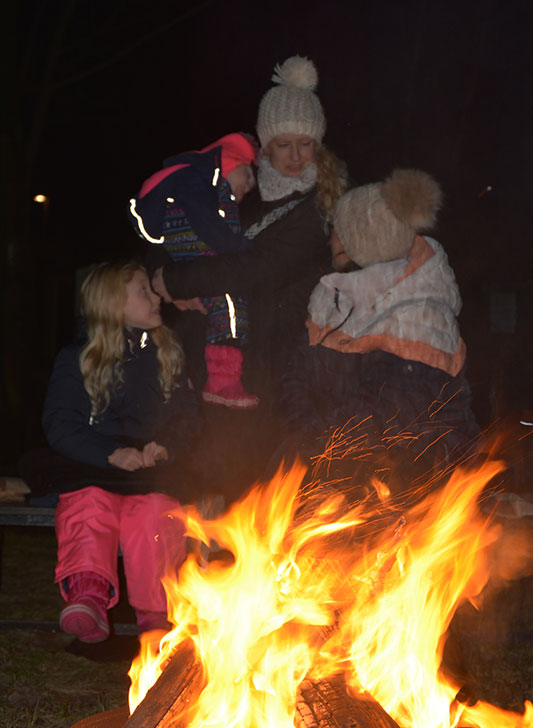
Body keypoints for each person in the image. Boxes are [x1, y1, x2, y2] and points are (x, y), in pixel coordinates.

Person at [150, 55, 348, 498]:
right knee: (213, 486)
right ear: (265, 144)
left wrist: (178, 281)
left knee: (260, 493)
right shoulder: (241, 192)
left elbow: (259, 270)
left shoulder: (318, 207)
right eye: (284, 145)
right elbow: (181, 230)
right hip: (218, 355)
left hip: (275, 367)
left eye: (306, 144)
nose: (296, 157)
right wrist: (167, 282)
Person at [21, 261, 201, 643]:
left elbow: (189, 419)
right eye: (144, 291)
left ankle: (156, 611)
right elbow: (60, 424)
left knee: (152, 512)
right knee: (89, 505)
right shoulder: (78, 358)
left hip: (151, 468)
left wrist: (167, 446)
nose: (156, 297)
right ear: (113, 305)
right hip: (94, 465)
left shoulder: (169, 354)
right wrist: (108, 453)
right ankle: (88, 593)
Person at [280, 169, 481, 489]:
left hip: (416, 484)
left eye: (341, 230)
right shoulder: (331, 302)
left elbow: (394, 409)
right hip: (336, 468)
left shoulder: (419, 310)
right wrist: (307, 439)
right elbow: (296, 379)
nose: (332, 237)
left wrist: (323, 443)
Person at [130, 133, 259, 408]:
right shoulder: (198, 182)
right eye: (246, 179)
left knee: (218, 302)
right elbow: (209, 227)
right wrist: (239, 248)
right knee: (230, 304)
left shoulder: (191, 181)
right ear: (230, 163)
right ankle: (223, 382)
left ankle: (219, 380)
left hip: (184, 252)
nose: (246, 189)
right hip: (194, 251)